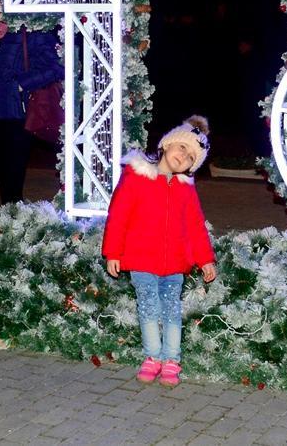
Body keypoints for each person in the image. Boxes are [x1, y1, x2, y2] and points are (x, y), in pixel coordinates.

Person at [102, 115, 218, 387]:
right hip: (141, 259)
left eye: (191, 157)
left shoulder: (186, 189)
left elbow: (196, 226)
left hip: (175, 262)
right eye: (182, 148)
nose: (184, 156)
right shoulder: (136, 177)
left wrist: (205, 260)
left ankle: (171, 360)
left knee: (171, 308)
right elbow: (118, 216)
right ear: (167, 144)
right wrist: (113, 252)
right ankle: (153, 357)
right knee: (149, 306)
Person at [0, 0, 62, 205]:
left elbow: (57, 66)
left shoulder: (31, 30)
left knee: (12, 171)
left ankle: (11, 215)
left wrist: (21, 85)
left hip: (17, 112)